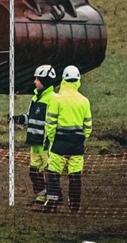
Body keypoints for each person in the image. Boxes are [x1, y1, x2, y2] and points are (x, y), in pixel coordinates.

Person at [44, 65, 93, 213]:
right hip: (77, 145)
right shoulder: (84, 101)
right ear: (78, 80)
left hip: (59, 143)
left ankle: (52, 203)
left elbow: (50, 123)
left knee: (52, 174)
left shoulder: (56, 99)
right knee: (75, 176)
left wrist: (53, 139)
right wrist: (81, 138)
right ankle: (75, 206)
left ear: (64, 80)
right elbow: (88, 126)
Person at [11, 65, 57, 206]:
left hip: (45, 144)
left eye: (38, 79)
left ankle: (52, 200)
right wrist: (18, 119)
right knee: (34, 172)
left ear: (45, 81)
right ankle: (41, 197)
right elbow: (30, 117)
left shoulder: (52, 99)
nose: (35, 81)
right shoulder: (35, 98)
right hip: (34, 143)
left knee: (49, 173)